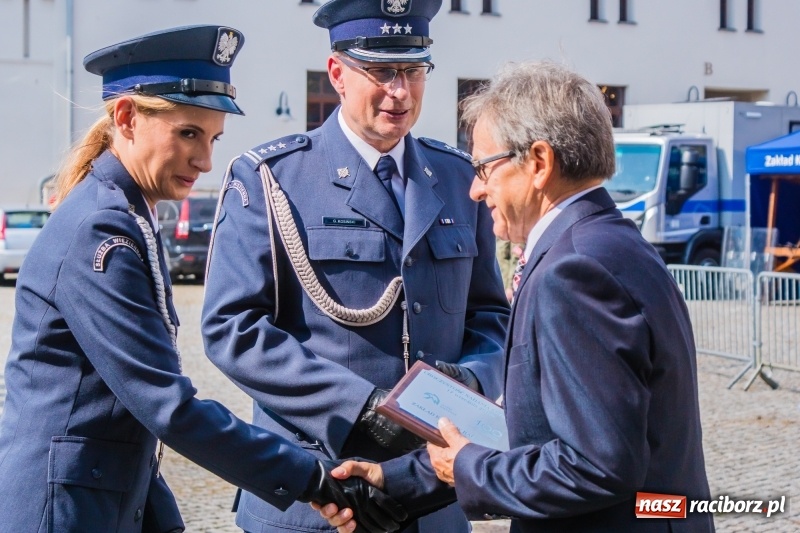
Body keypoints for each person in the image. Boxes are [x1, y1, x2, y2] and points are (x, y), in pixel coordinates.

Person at [0, 25, 404, 533]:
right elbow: (165, 404)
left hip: (101, 499)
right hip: (59, 512)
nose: (205, 160)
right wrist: (314, 479)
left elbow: (129, 420)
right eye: (188, 133)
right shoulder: (97, 230)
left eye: (213, 138)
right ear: (126, 117)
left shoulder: (124, 214)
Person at [319, 61, 716, 533]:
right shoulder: (611, 244)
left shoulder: (574, 272)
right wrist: (397, 478)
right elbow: (537, 430)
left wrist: (467, 469)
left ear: (540, 163)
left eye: (483, 166)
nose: (475, 188)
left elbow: (595, 466)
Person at [200, 1, 510, 531]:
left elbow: (491, 316)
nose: (401, 92)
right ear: (338, 74)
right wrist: (359, 409)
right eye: (382, 71)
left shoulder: (458, 178)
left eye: (413, 71)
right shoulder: (272, 178)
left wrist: (472, 382)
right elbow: (232, 329)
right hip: (319, 488)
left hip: (433, 496)